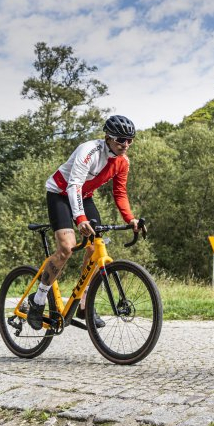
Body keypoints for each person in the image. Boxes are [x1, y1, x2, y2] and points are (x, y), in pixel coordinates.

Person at [26, 115, 140, 330]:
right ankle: (38, 300)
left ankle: (85, 303)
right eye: (120, 140)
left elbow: (120, 192)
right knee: (66, 249)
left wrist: (130, 218)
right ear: (108, 137)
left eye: (130, 140)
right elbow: (74, 185)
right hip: (60, 193)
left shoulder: (123, 162)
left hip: (84, 196)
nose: (125, 145)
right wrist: (80, 219)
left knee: (96, 247)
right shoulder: (88, 150)